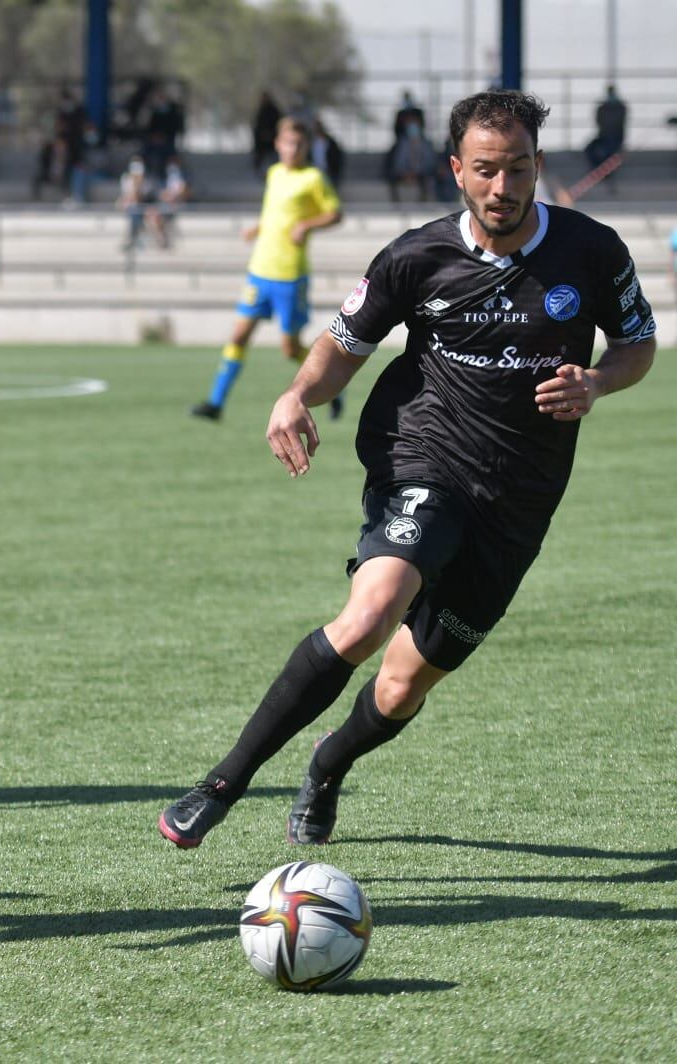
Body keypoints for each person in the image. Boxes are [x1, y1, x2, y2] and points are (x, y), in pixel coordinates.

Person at [158, 90, 657, 850]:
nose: (502, 187)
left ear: (537, 167)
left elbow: (637, 344)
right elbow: (340, 349)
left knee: (400, 685)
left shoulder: (591, 250)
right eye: (485, 169)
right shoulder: (414, 257)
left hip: (521, 499)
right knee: (370, 611)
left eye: (517, 169)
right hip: (425, 458)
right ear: (457, 170)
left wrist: (598, 382)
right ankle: (223, 782)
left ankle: (327, 765)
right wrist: (295, 395)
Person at [192, 117, 342, 421]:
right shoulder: (274, 174)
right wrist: (257, 228)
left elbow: (335, 214)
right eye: (288, 143)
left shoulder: (313, 178)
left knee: (289, 349)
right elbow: (275, 214)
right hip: (259, 271)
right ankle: (215, 403)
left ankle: (333, 385)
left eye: (299, 144)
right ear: (278, 144)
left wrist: (306, 225)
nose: (293, 149)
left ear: (306, 147)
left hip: (290, 275)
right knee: (238, 337)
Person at [585, 85, 626, 169]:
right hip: (603, 137)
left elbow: (617, 124)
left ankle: (606, 172)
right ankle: (596, 168)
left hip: (616, 137)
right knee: (589, 149)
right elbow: (599, 122)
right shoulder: (602, 108)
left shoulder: (620, 107)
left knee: (607, 151)